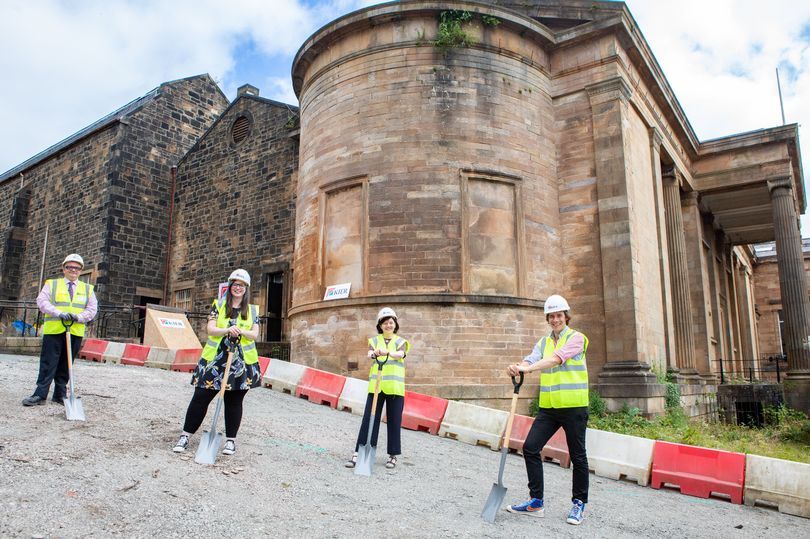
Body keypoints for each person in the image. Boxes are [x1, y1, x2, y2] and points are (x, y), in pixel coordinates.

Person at [505, 294, 590, 525]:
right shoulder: (543, 342)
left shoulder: (577, 339)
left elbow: (555, 360)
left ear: (566, 317)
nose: (555, 320)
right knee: (530, 448)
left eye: (559, 315)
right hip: (550, 408)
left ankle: (578, 504)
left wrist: (528, 370)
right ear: (547, 318)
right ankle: (536, 502)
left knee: (578, 456)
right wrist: (517, 367)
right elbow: (530, 359)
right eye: (551, 316)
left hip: (574, 406)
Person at [173, 269, 261, 456]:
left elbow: (254, 334)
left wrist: (240, 331)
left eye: (242, 285)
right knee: (200, 397)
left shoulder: (252, 310)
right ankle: (185, 435)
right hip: (215, 360)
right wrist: (228, 329)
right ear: (230, 287)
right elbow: (211, 329)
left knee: (234, 401)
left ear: (246, 289)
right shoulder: (219, 305)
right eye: (235, 285)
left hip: (241, 363)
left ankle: (231, 441)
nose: (238, 288)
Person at [22, 254, 98, 406]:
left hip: (75, 331)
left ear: (81, 270)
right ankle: (40, 394)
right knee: (48, 363)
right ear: (64, 269)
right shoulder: (52, 284)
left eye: (76, 268)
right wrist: (59, 313)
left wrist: (78, 317)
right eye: (70, 267)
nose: (73, 270)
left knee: (66, 364)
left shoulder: (88, 289)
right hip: (54, 330)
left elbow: (92, 309)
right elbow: (41, 301)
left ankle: (60, 394)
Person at [345, 307, 410, 469]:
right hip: (376, 387)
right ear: (380, 325)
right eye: (385, 323)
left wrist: (387, 352)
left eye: (391, 322)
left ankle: (393, 455)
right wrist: (375, 353)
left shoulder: (401, 342)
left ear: (395, 324)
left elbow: (401, 354)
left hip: (395, 388)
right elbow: (370, 354)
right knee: (369, 419)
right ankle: (359, 453)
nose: (388, 325)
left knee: (394, 422)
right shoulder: (374, 341)